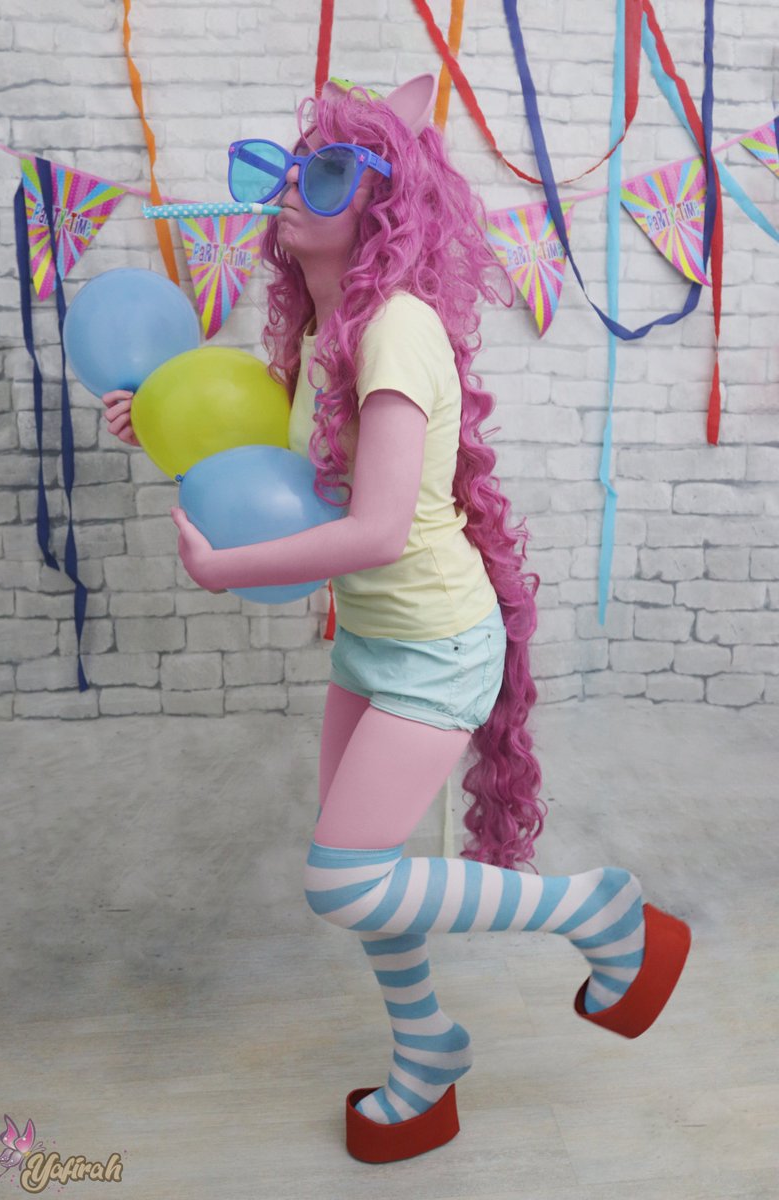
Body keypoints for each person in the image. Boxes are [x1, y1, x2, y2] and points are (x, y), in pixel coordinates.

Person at [102, 74, 691, 1164]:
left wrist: (228, 570)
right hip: (377, 641)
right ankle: (427, 1054)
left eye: (326, 172)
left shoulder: (396, 330)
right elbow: (292, 473)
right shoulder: (327, 328)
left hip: (434, 644)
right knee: (369, 878)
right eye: (284, 169)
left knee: (343, 879)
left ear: (384, 202)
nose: (291, 189)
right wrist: (163, 421)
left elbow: (374, 531)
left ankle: (596, 910)